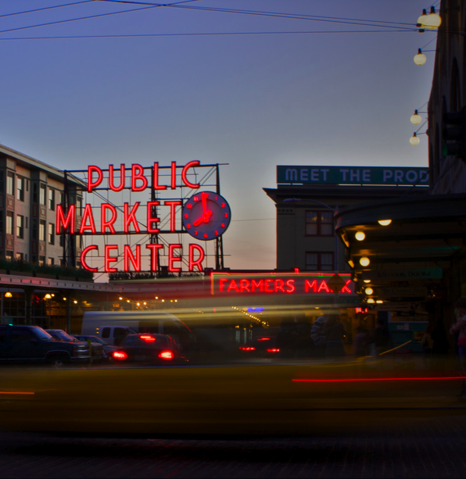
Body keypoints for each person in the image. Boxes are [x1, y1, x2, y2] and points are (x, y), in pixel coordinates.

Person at [450, 297, 466, 397]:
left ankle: (465, 393)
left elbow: (453, 330)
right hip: (463, 344)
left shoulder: (464, 318)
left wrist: (454, 325)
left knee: (464, 370)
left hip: (464, 345)